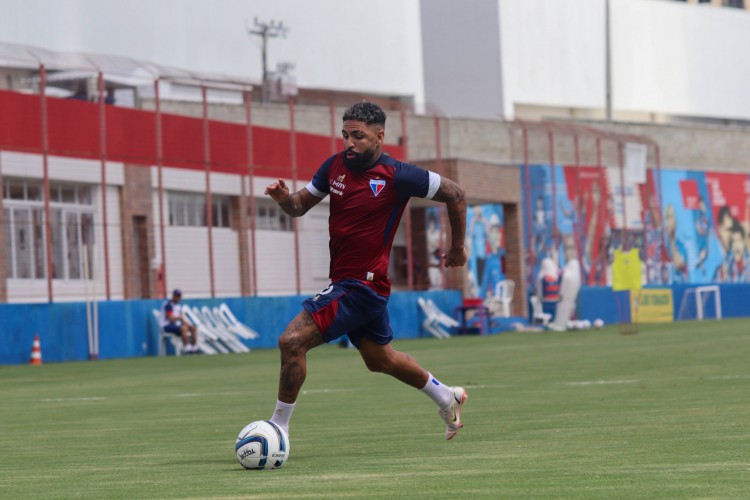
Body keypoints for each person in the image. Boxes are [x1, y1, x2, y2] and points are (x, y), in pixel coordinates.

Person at [263, 101, 469, 441]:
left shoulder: (399, 175)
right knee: (380, 359)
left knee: (291, 341)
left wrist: (458, 247)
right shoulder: (334, 167)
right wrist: (284, 199)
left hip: (362, 285)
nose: (349, 143)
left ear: (379, 136)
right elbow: (299, 206)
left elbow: (456, 194)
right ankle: (446, 396)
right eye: (345, 135)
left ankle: (278, 429)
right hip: (352, 284)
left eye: (357, 136)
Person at [159, 289, 200, 354]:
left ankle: (194, 347)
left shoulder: (178, 306)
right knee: (183, 328)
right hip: (166, 326)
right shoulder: (168, 305)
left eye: (179, 296)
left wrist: (187, 324)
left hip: (176, 325)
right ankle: (187, 348)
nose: (178, 298)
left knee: (192, 328)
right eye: (177, 296)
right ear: (173, 296)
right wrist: (180, 318)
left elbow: (182, 318)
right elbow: (171, 319)